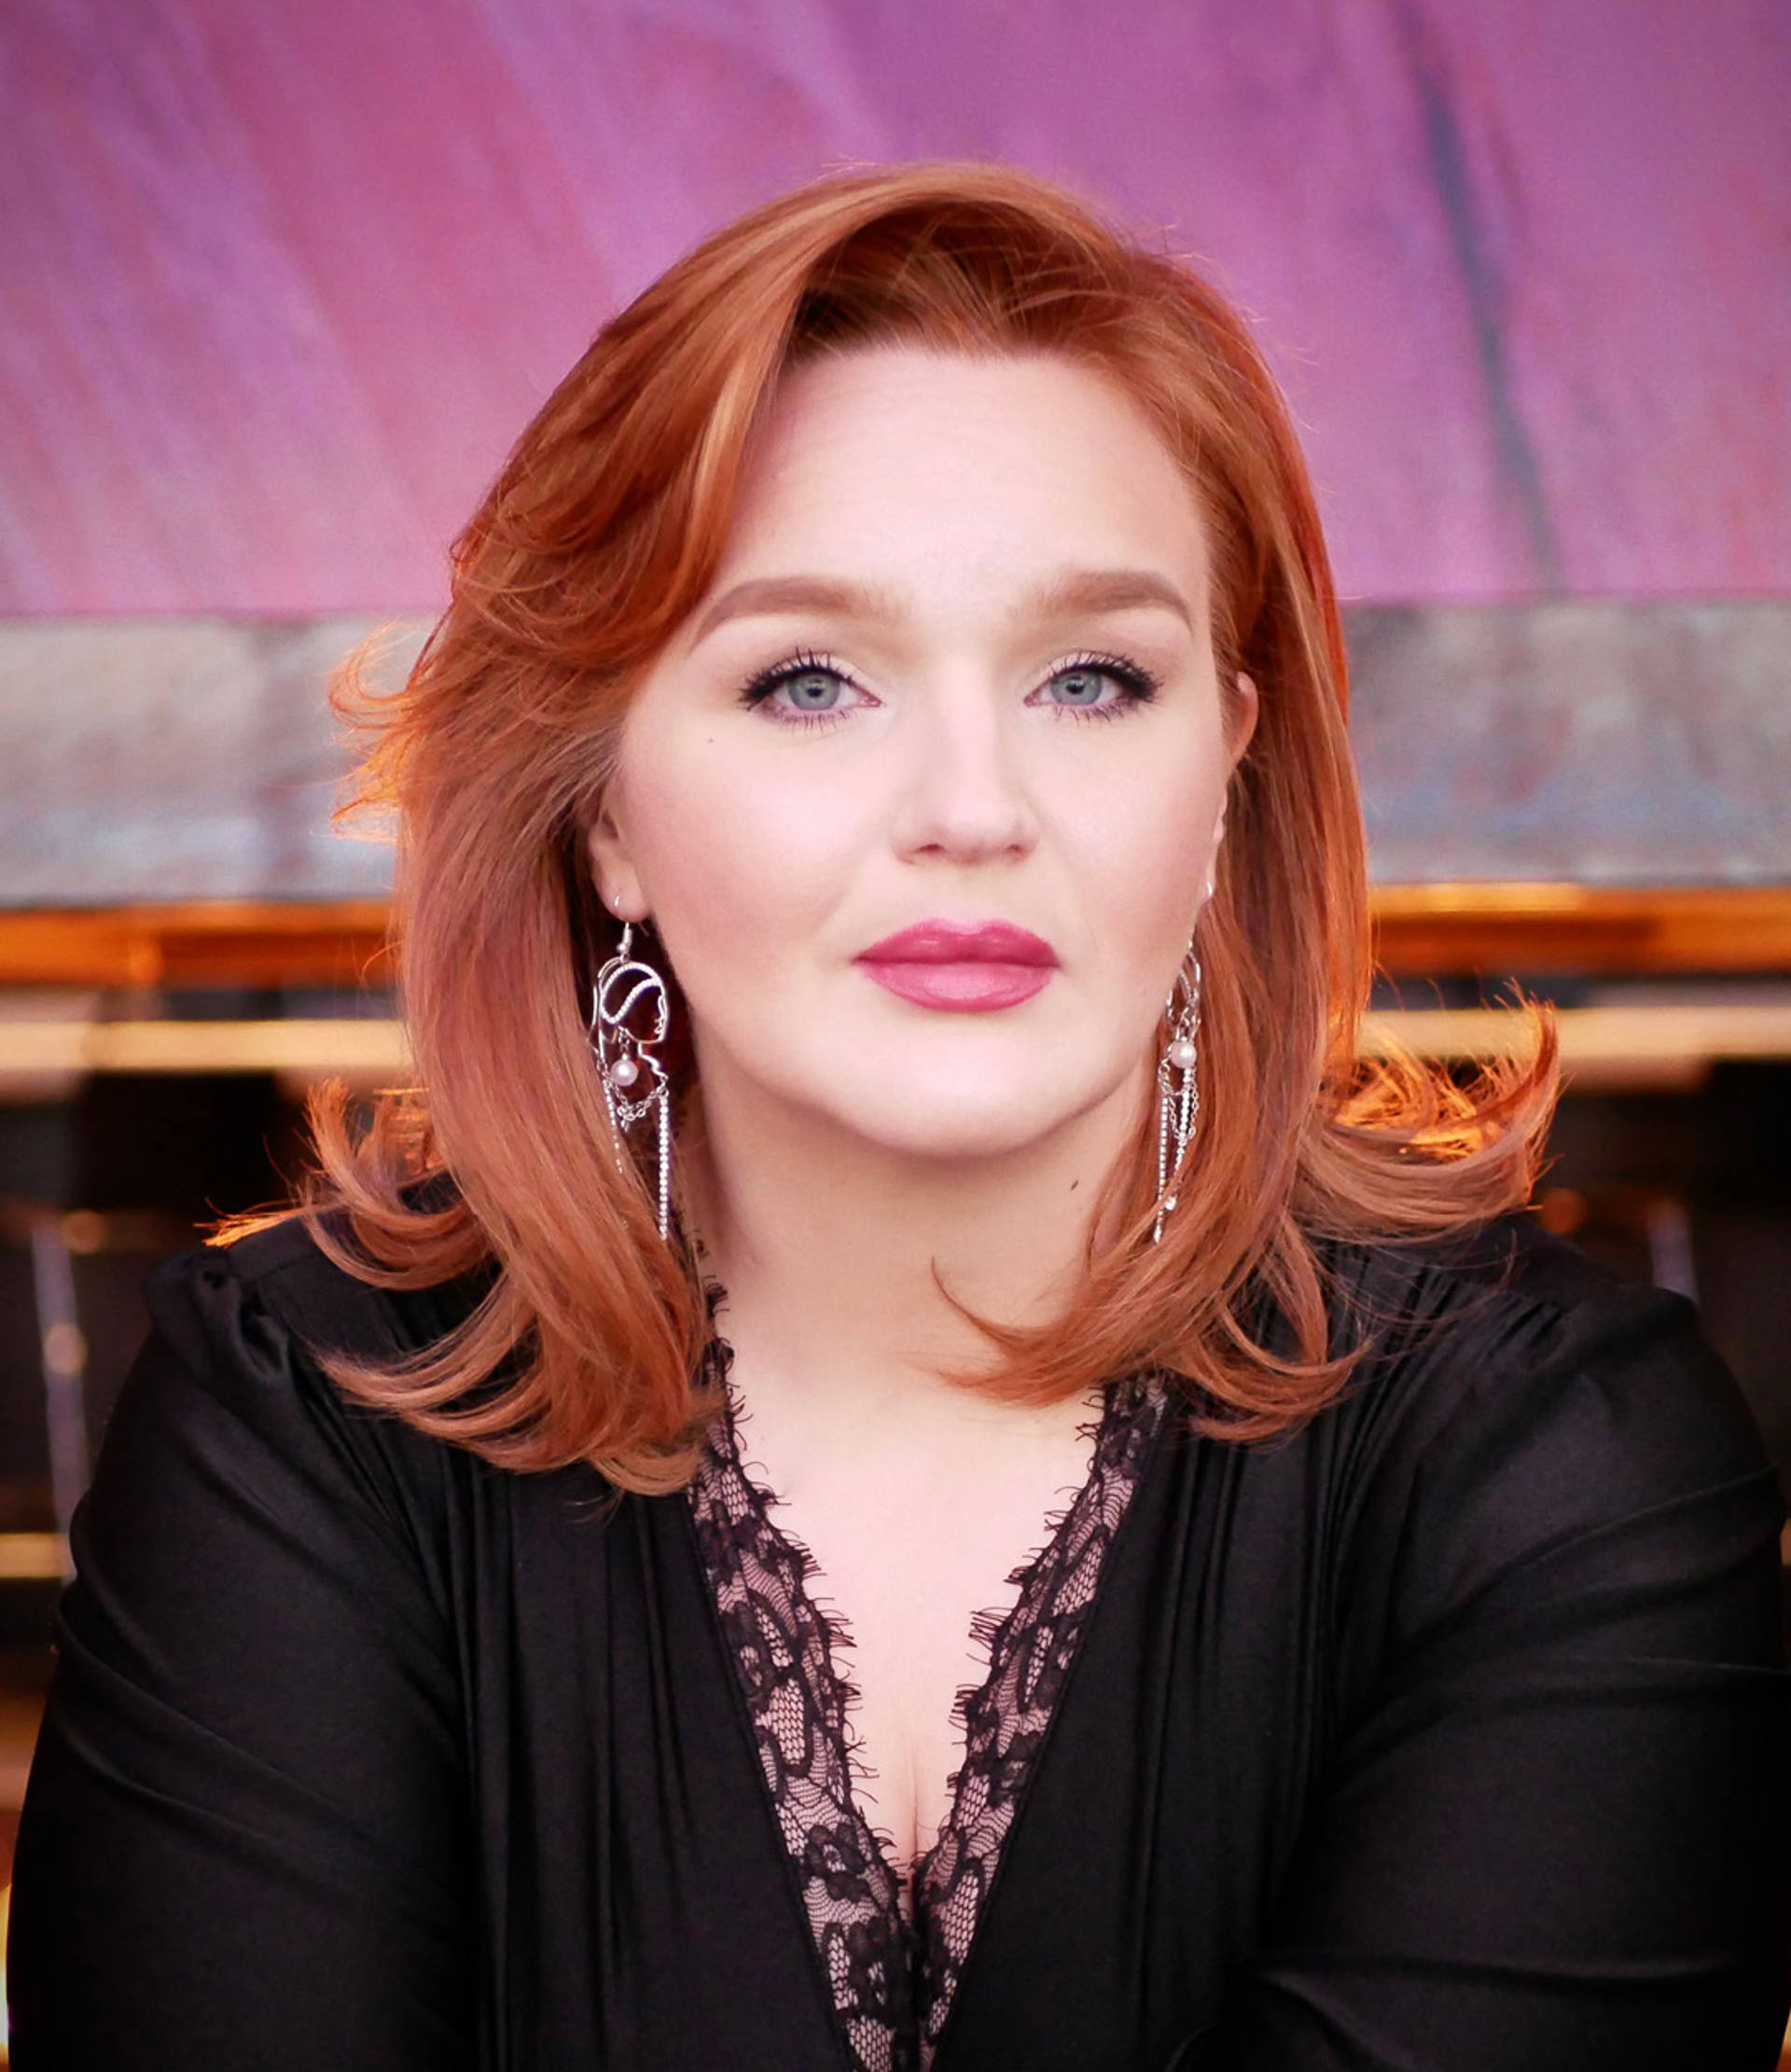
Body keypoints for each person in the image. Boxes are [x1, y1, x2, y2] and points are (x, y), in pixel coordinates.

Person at [9, 164, 1788, 2071]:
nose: (972, 801)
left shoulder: (1567, 1461)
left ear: (1224, 775)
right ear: (607, 809)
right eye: (810, 680)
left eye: (1092, 678)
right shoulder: (300, 1415)